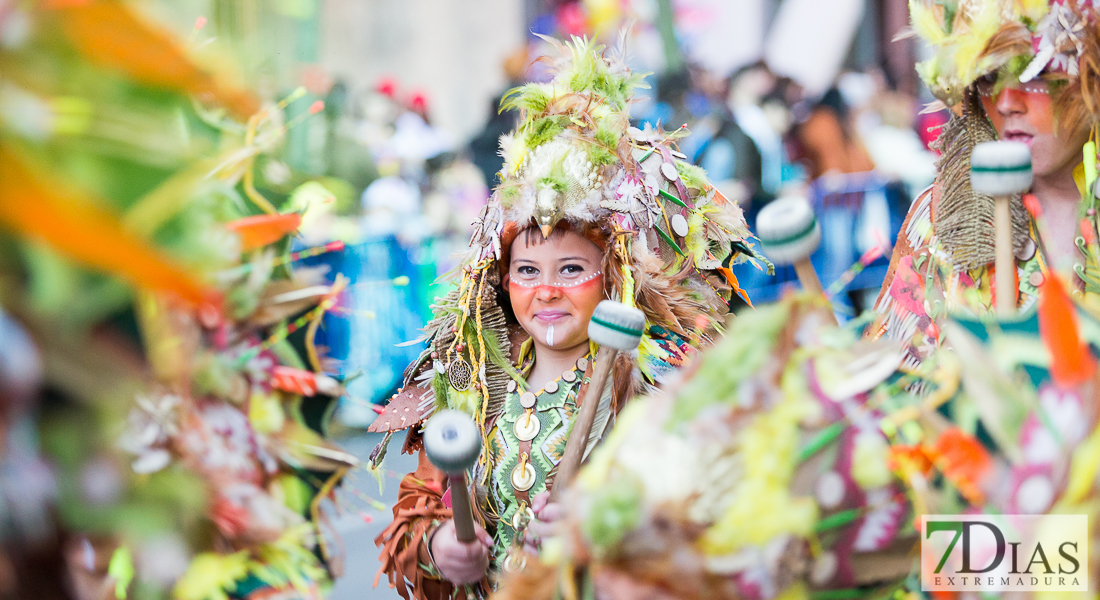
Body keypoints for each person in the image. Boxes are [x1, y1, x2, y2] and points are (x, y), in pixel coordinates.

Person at [368, 36, 765, 599]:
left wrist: (606, 528)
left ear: (613, 276)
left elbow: (710, 517)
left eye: (572, 267)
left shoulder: (655, 388)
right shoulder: (475, 381)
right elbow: (419, 507)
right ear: (503, 282)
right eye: (527, 271)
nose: (547, 290)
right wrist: (440, 547)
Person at [871, 0, 1100, 369]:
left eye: (1033, 73)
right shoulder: (941, 221)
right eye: (989, 77)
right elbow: (894, 395)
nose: (1008, 103)